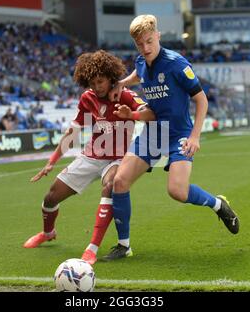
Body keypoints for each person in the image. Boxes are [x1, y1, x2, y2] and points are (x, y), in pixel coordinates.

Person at [104, 14, 240, 261]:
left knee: (177, 191)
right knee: (120, 182)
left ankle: (218, 205)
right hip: (153, 132)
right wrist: (122, 84)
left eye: (149, 41)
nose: (145, 48)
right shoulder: (142, 61)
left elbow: (201, 99)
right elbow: (138, 73)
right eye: (140, 44)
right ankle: (124, 246)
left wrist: (195, 136)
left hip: (179, 134)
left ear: (158, 36)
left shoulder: (177, 64)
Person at [23, 50, 155, 265]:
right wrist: (51, 162)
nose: (97, 86)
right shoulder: (88, 98)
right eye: (92, 82)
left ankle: (92, 248)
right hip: (92, 156)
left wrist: (132, 115)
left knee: (110, 186)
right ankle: (48, 233)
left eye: (100, 81)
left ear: (111, 77)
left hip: (118, 158)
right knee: (51, 198)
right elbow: (72, 133)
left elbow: (150, 113)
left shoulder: (126, 95)